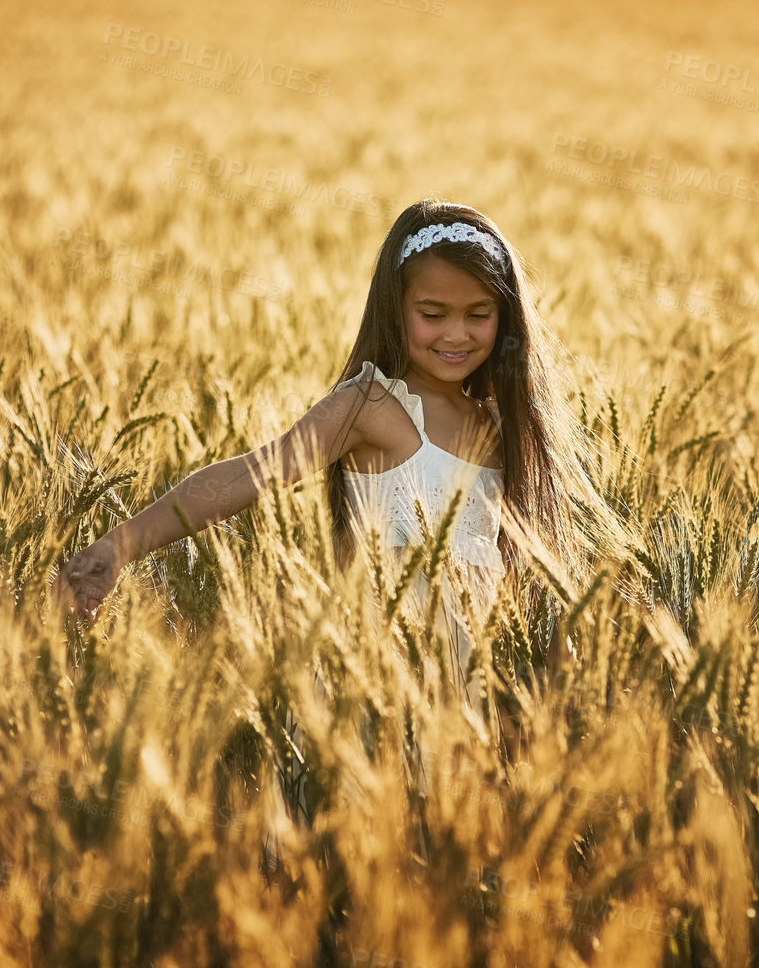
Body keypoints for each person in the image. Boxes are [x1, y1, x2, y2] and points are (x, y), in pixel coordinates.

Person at [55, 198, 620, 702]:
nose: (456, 334)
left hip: (462, 694)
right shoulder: (370, 405)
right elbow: (248, 476)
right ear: (395, 309)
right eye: (432, 314)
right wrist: (119, 546)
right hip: (370, 683)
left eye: (479, 315)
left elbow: (516, 574)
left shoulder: (500, 427)